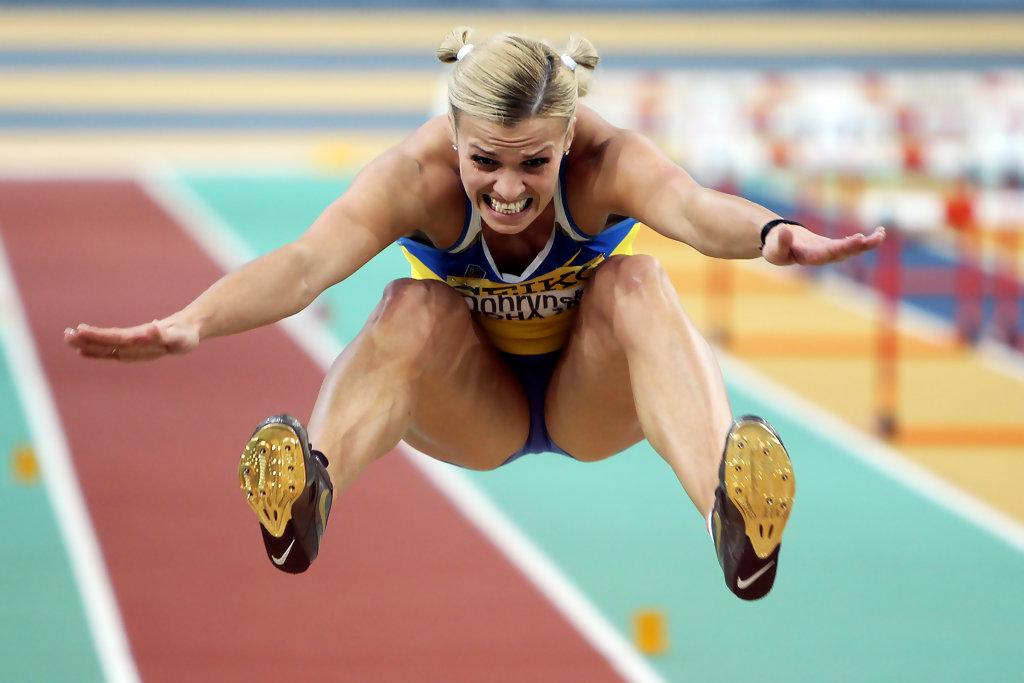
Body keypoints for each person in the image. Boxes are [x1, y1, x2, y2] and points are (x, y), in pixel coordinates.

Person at [65, 28, 885, 600]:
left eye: (535, 163)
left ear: (569, 139)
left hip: (589, 395)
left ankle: (730, 519)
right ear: (452, 135)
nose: (508, 189)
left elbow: (695, 209)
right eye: (485, 160)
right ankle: (308, 494)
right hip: (473, 405)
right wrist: (196, 320)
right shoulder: (415, 178)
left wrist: (772, 233)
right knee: (408, 303)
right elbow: (307, 263)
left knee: (638, 283)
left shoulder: (606, 162)